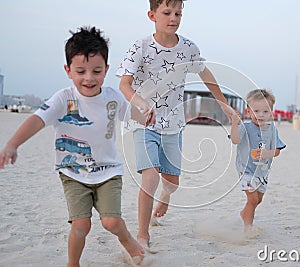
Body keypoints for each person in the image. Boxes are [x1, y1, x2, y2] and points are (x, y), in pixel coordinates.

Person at [0, 26, 147, 267]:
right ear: (68, 71)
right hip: (73, 174)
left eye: (96, 71)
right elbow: (37, 120)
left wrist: (149, 118)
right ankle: (72, 263)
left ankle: (128, 239)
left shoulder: (112, 96)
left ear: (106, 70)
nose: (89, 78)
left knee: (110, 222)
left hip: (108, 171)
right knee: (81, 225)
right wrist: (12, 145)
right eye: (81, 71)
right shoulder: (62, 99)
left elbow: (133, 115)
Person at [116, 0, 237, 251]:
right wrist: (140, 103)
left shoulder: (189, 48)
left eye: (178, 13)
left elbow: (206, 75)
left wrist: (224, 104)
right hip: (144, 123)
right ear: (152, 15)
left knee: (171, 182)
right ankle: (142, 235)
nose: (173, 18)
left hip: (173, 124)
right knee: (149, 178)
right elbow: (124, 84)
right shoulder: (140, 47)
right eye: (167, 13)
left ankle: (166, 196)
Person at [230, 89, 286, 231]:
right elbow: (235, 140)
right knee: (252, 199)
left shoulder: (272, 130)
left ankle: (244, 214)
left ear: (271, 112)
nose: (260, 115)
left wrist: (267, 153)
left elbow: (277, 151)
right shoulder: (245, 128)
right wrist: (234, 125)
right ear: (248, 111)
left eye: (265, 111)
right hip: (246, 170)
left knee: (258, 200)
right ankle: (248, 228)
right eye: (256, 111)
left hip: (262, 172)